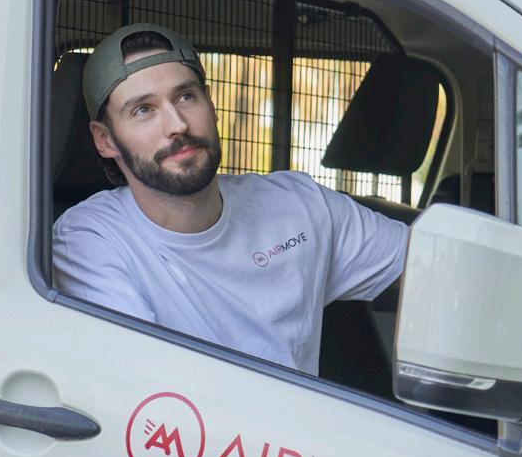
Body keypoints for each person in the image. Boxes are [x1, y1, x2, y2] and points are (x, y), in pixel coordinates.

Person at [52, 23, 408, 375]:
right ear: (105, 140)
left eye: (185, 97)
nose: (177, 125)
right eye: (143, 109)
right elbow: (146, 384)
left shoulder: (299, 205)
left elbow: (427, 265)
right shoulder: (89, 239)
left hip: (306, 415)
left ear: (211, 103)